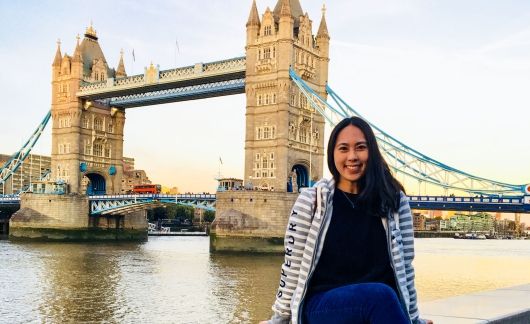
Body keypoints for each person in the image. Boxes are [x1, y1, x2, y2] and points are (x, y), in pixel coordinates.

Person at [260, 117, 432, 324]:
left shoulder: (395, 202)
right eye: (343, 149)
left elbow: (405, 268)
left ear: (372, 152)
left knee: (381, 297)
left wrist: (413, 319)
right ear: (332, 155)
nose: (352, 156)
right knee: (379, 296)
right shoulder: (312, 201)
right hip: (324, 306)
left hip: (379, 307)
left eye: (360, 147)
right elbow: (291, 266)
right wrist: (279, 319)